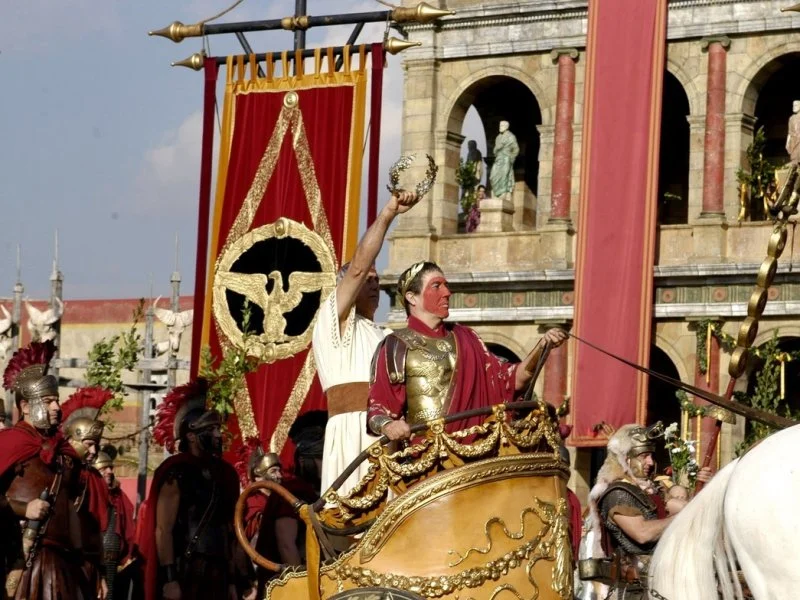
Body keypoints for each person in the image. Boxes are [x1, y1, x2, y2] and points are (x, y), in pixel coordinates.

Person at [367, 261, 568, 440]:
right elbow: (377, 410)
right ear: (412, 297)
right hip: (426, 457)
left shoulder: (467, 338)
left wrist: (542, 347)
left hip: (478, 452)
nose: (447, 292)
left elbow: (511, 380)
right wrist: (388, 425)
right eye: (436, 286)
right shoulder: (395, 346)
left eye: (446, 285)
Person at [312, 191, 420, 497]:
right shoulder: (334, 321)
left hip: (392, 436)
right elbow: (358, 267)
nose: (374, 284)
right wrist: (388, 214)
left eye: (377, 280)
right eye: (367, 280)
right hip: (353, 433)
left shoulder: (388, 336)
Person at [0, 341, 97, 600]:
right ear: (26, 407)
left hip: (62, 562)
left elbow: (69, 506)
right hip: (19, 558)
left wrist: (81, 559)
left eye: (57, 401)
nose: (57, 407)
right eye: (48, 401)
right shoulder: (10, 442)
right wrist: (23, 508)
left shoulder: (63, 452)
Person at [139, 379, 244, 600]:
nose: (218, 435)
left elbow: (230, 531)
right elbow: (163, 530)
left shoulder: (226, 474)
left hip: (220, 569)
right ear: (191, 436)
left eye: (218, 429)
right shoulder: (176, 471)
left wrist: (235, 580)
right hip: (187, 569)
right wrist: (170, 579)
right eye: (211, 429)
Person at [585, 424, 712, 599]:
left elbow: (685, 507)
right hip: (634, 591)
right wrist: (685, 515)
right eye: (644, 456)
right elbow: (642, 533)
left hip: (663, 583)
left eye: (651, 456)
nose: (650, 462)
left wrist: (706, 487)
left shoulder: (649, 490)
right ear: (626, 459)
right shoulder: (617, 493)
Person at [61, 386, 118, 599]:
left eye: (96, 445)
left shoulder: (94, 479)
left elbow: (97, 532)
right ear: (71, 441)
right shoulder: (55, 472)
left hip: (86, 563)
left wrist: (101, 574)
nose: (94, 451)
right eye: (89, 444)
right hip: (56, 559)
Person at [95, 447, 139, 598]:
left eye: (110, 468)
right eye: (104, 468)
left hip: (115, 562)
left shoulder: (119, 497)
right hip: (93, 560)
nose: (109, 471)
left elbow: (129, 529)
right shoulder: (87, 496)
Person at [489, 120, 519, 198]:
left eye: (502, 126)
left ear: (506, 127)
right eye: (500, 125)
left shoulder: (511, 137)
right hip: (498, 159)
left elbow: (516, 149)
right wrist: (497, 148)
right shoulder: (498, 137)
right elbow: (495, 150)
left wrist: (511, 159)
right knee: (492, 176)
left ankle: (503, 193)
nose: (500, 127)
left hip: (506, 159)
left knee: (504, 177)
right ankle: (496, 193)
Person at [786, 100, 800, 164]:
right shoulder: (791, 118)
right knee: (794, 160)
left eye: (796, 105)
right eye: (793, 105)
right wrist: (787, 142)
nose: (794, 107)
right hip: (793, 141)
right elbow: (789, 132)